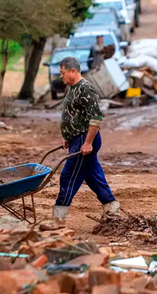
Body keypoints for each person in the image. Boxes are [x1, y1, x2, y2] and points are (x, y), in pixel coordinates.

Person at [52, 56, 119, 226]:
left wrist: (87, 142)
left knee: (68, 176)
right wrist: (68, 137)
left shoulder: (85, 88)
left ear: (73, 71)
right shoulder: (73, 88)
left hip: (84, 139)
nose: (61, 76)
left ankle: (58, 218)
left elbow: (96, 118)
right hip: (77, 139)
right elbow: (74, 115)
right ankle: (112, 209)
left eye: (63, 73)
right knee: (93, 176)